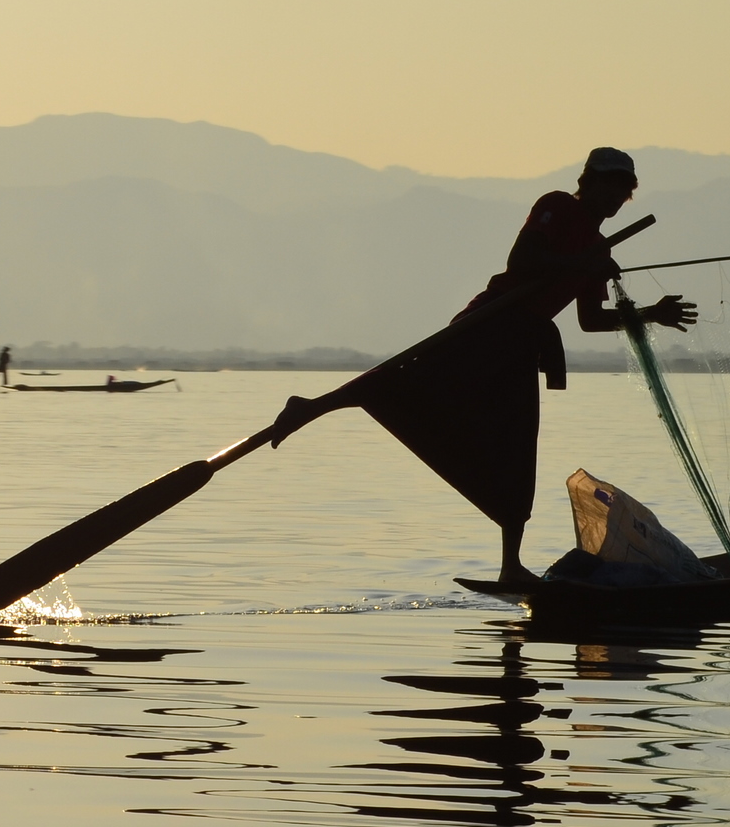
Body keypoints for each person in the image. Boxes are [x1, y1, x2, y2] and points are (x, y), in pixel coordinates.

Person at [270, 147, 696, 584]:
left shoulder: (598, 250)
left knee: (515, 447)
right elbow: (523, 261)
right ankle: (308, 407)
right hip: (489, 322)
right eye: (606, 186)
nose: (612, 197)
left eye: (622, 191)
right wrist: (579, 263)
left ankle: (510, 565)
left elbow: (590, 321)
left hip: (520, 346)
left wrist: (650, 313)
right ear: (587, 182)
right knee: (403, 381)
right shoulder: (557, 206)